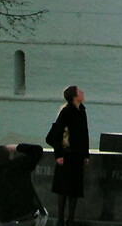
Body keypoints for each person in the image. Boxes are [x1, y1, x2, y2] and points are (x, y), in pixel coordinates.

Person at [47, 86, 89, 226]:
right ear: (74, 96)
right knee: (63, 188)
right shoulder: (66, 111)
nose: (82, 93)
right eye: (80, 92)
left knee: (74, 189)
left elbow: (84, 134)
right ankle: (60, 219)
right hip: (66, 155)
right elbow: (57, 133)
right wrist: (58, 155)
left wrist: (85, 154)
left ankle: (71, 219)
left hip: (77, 155)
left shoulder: (82, 110)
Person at [0, 142, 45, 226]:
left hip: (7, 220)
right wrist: (16, 147)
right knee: (44, 212)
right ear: (10, 156)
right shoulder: (20, 164)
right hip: (29, 217)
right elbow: (37, 150)